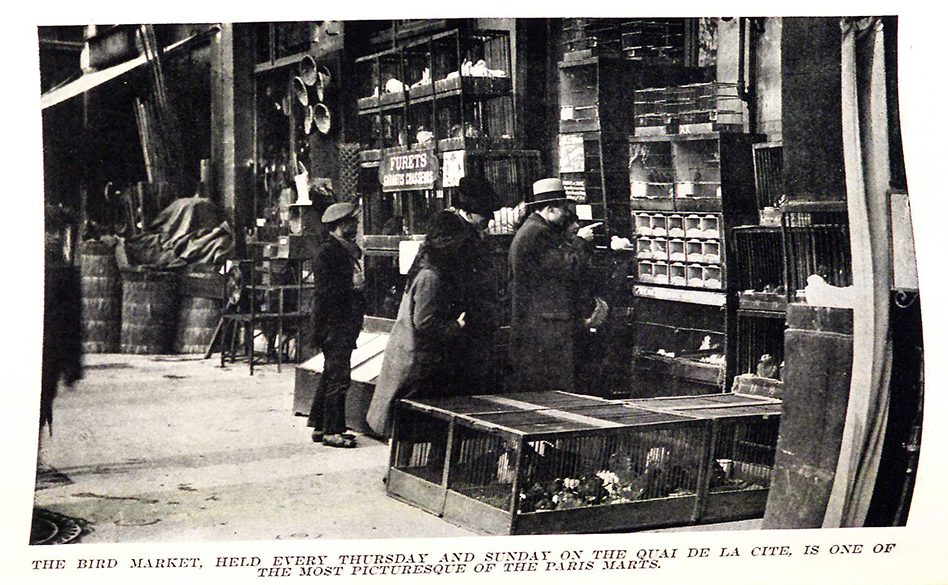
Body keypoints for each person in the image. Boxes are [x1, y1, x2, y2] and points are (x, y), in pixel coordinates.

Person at [366, 213, 470, 438]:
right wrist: (456, 326)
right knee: (415, 425)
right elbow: (424, 321)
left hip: (410, 352)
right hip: (418, 358)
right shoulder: (431, 277)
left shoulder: (423, 266)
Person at [508, 178, 598, 393]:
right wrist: (581, 241)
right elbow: (567, 268)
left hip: (535, 321)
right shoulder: (539, 233)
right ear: (551, 209)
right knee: (554, 386)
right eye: (564, 209)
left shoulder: (531, 228)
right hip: (544, 325)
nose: (566, 215)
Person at [307, 201, 365, 448]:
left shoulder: (344, 249)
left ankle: (321, 426)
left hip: (340, 323)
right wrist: (353, 288)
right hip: (336, 324)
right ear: (340, 225)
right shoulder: (330, 253)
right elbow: (325, 294)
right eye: (352, 222)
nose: (356, 225)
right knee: (339, 378)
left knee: (331, 374)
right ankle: (333, 431)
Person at [441, 175, 503, 395]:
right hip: (463, 322)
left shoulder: (461, 234)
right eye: (485, 216)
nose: (490, 220)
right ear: (468, 214)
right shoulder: (458, 240)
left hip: (471, 320)